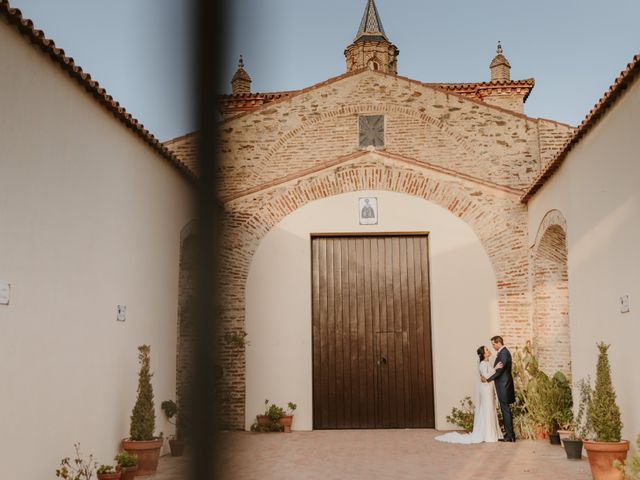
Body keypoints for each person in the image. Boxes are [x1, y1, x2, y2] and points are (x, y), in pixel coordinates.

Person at [435, 345, 503, 444]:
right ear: (484, 354)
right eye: (487, 350)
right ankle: (488, 434)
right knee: (487, 409)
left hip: (489, 389)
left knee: (490, 409)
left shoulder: (488, 362)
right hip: (485, 390)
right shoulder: (483, 364)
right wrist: (496, 368)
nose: (489, 350)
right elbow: (485, 377)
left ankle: (491, 433)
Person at [481, 335, 516, 442]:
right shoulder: (502, 353)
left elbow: (499, 371)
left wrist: (487, 379)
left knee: (505, 410)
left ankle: (510, 436)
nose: (493, 347)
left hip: (504, 386)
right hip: (503, 385)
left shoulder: (504, 353)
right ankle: (509, 435)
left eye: (494, 344)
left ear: (498, 343)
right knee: (505, 410)